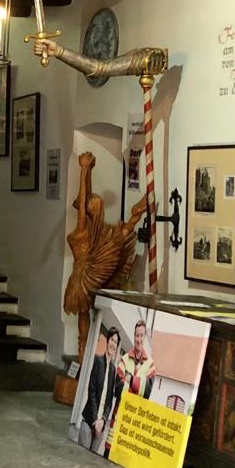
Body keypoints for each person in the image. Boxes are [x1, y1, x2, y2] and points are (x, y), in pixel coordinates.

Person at [64, 152, 148, 361]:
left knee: (84, 312)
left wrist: (84, 169)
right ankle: (136, 214)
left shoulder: (84, 232)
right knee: (120, 236)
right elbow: (85, 201)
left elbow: (82, 204)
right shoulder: (96, 234)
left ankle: (83, 350)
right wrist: (88, 172)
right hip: (95, 267)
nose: (81, 205)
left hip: (84, 273)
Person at [78, 328, 121, 454]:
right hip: (89, 420)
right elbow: (92, 391)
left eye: (116, 342)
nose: (113, 344)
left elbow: (109, 401)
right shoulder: (97, 360)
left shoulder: (113, 370)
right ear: (107, 341)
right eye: (112, 340)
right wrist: (95, 420)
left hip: (101, 427)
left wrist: (103, 420)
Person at [117, 319, 156, 399]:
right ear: (134, 336)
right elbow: (118, 388)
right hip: (121, 406)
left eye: (141, 335)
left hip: (136, 407)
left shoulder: (151, 365)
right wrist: (139, 385)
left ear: (145, 337)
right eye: (137, 335)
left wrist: (130, 379)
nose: (139, 340)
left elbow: (147, 392)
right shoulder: (124, 359)